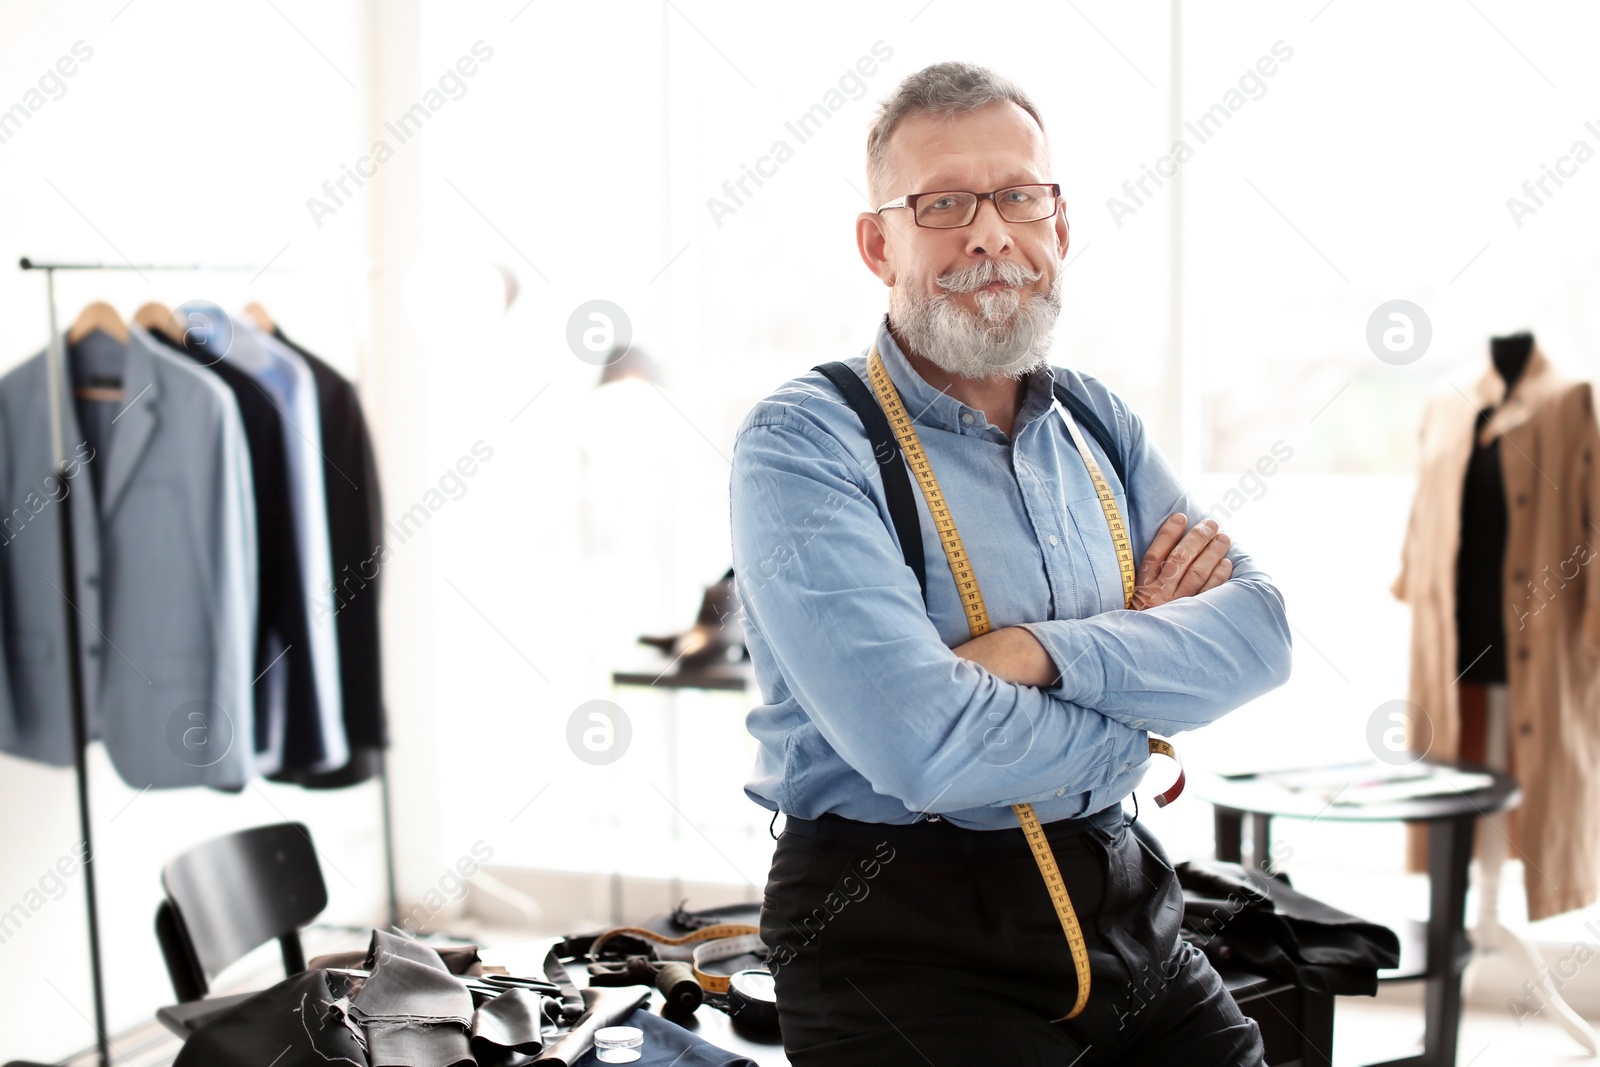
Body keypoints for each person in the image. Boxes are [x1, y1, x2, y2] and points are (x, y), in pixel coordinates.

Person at [728, 61, 1293, 1065]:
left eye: (1018, 197)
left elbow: (1260, 633)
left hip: (1122, 892)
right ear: (878, 243)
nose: (989, 234)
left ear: (1058, 226)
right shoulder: (805, 442)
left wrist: (1031, 652)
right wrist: (1135, 730)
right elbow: (922, 744)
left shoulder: (1096, 421)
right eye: (943, 204)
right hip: (899, 931)